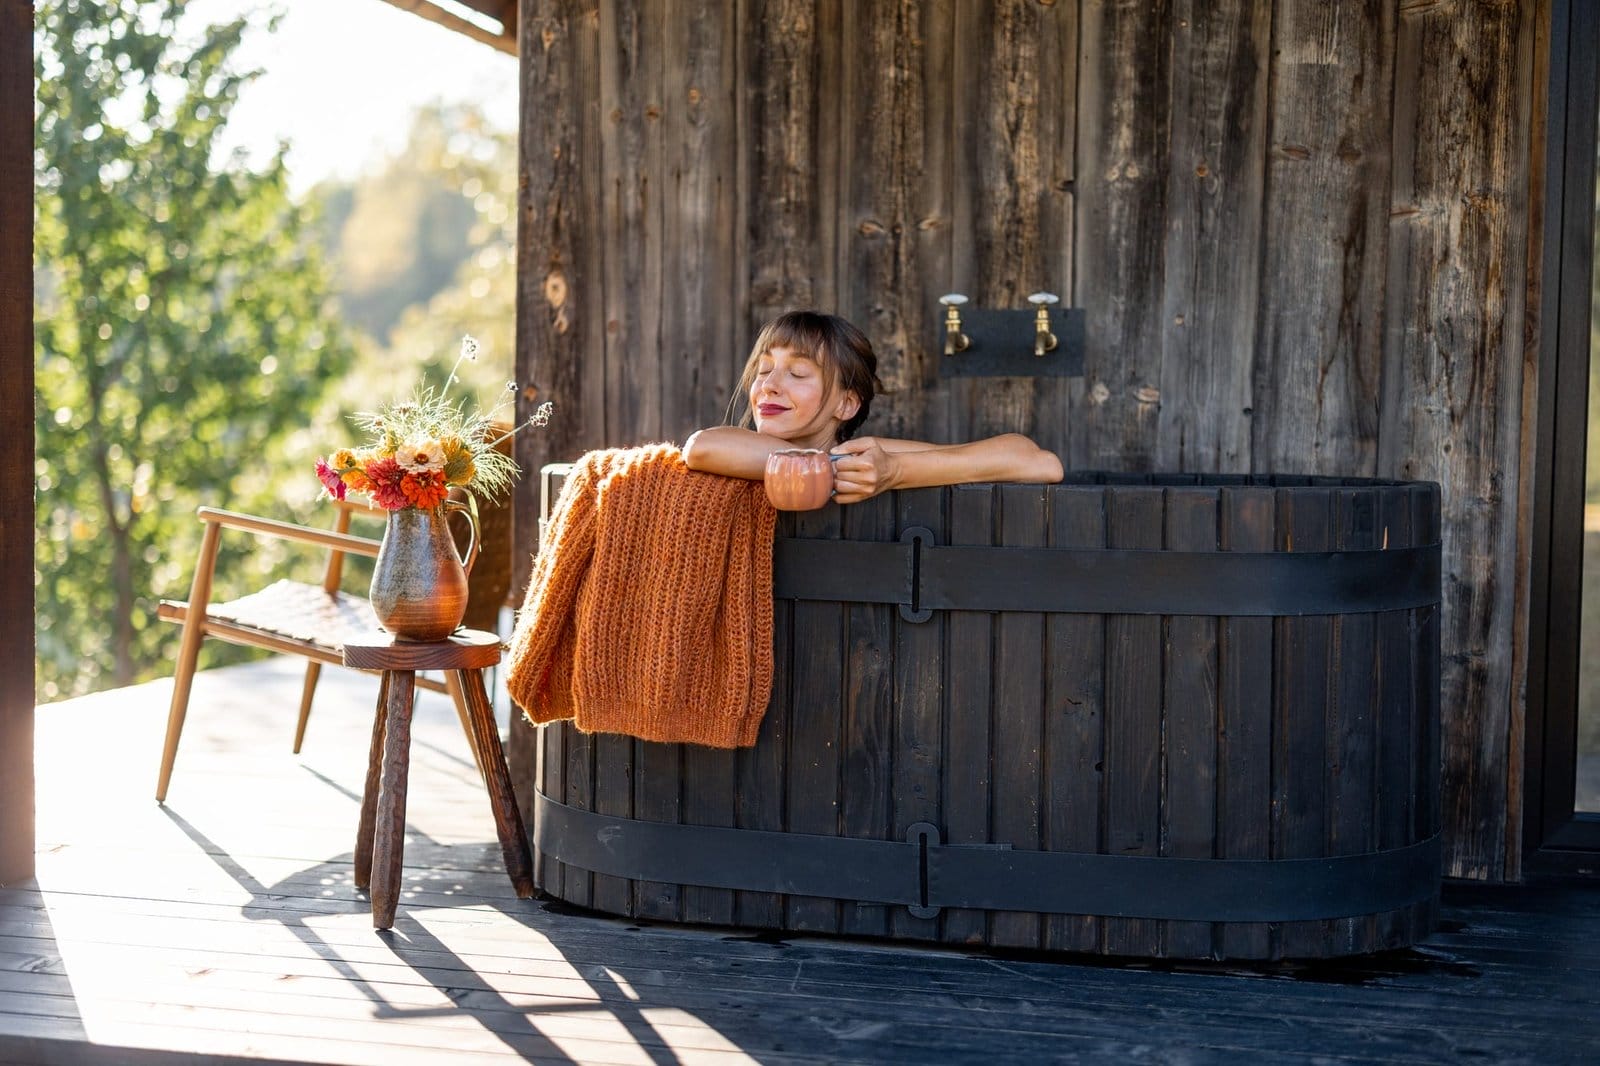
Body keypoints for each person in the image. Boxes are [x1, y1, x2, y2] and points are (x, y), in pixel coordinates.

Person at [683, 310, 1064, 502]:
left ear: (846, 404)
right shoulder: (744, 446)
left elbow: (1038, 462)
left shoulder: (870, 457)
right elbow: (703, 448)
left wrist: (894, 471)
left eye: (797, 373)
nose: (768, 385)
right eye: (764, 370)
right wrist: (842, 472)